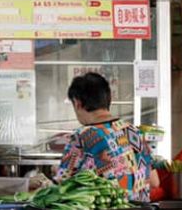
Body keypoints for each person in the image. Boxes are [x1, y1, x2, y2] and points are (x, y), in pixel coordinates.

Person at [56, 72, 159, 202]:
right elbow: (154, 181)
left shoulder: (82, 137)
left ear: (77, 103)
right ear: (108, 99)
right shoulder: (133, 131)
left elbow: (62, 186)